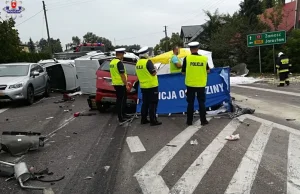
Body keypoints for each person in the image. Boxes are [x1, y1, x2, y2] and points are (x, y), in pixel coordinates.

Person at [182, 41, 210, 126]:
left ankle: (189, 121)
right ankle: (203, 121)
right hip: (201, 84)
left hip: (190, 84)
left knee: (190, 103)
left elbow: (183, 72)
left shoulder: (187, 58)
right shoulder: (204, 58)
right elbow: (208, 71)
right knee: (201, 102)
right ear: (197, 49)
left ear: (190, 49)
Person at [135, 46, 162, 126]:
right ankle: (153, 120)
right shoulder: (148, 62)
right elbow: (153, 73)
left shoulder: (138, 63)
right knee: (153, 103)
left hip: (143, 86)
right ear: (145, 54)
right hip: (152, 86)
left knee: (145, 103)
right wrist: (156, 68)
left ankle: (143, 119)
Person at [109, 48, 130, 122]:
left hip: (116, 84)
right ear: (120, 54)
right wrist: (126, 84)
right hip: (121, 84)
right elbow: (122, 75)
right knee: (121, 101)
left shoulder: (112, 62)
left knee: (120, 100)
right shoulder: (119, 63)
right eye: (123, 54)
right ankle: (121, 117)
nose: (123, 56)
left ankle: (123, 114)